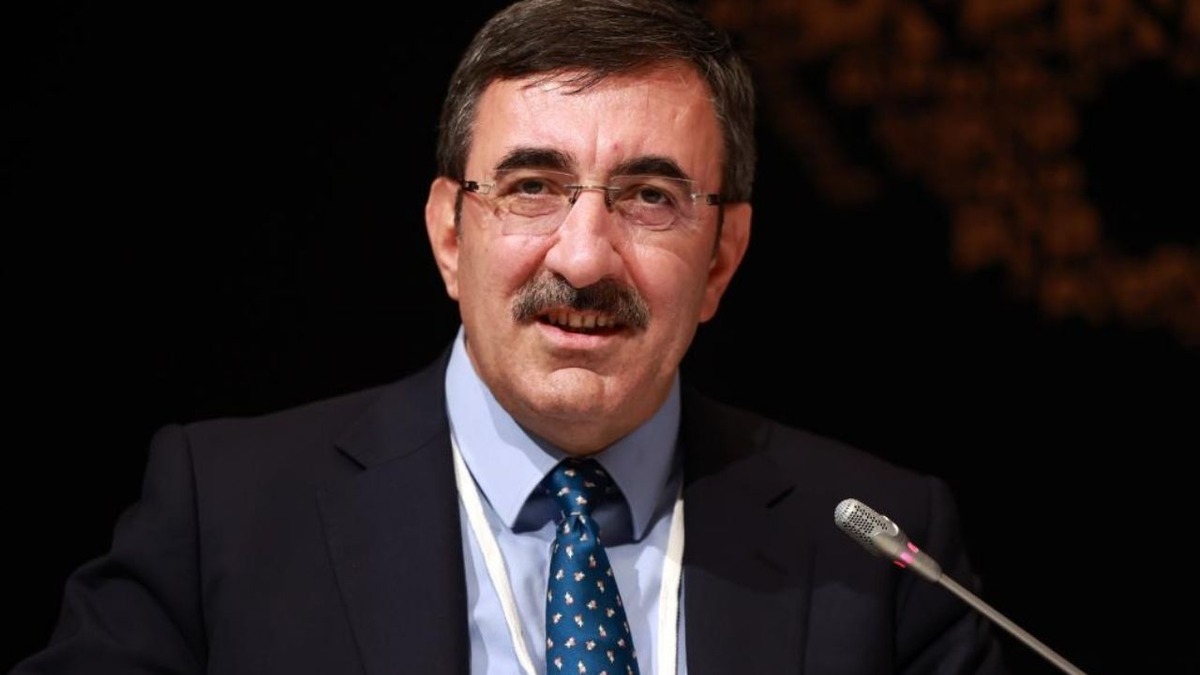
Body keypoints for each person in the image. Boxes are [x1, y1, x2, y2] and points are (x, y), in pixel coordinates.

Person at [10, 0, 1011, 673]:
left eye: (649, 197)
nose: (584, 256)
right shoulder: (223, 516)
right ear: (451, 234)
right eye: (532, 186)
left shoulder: (883, 554)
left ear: (722, 257)